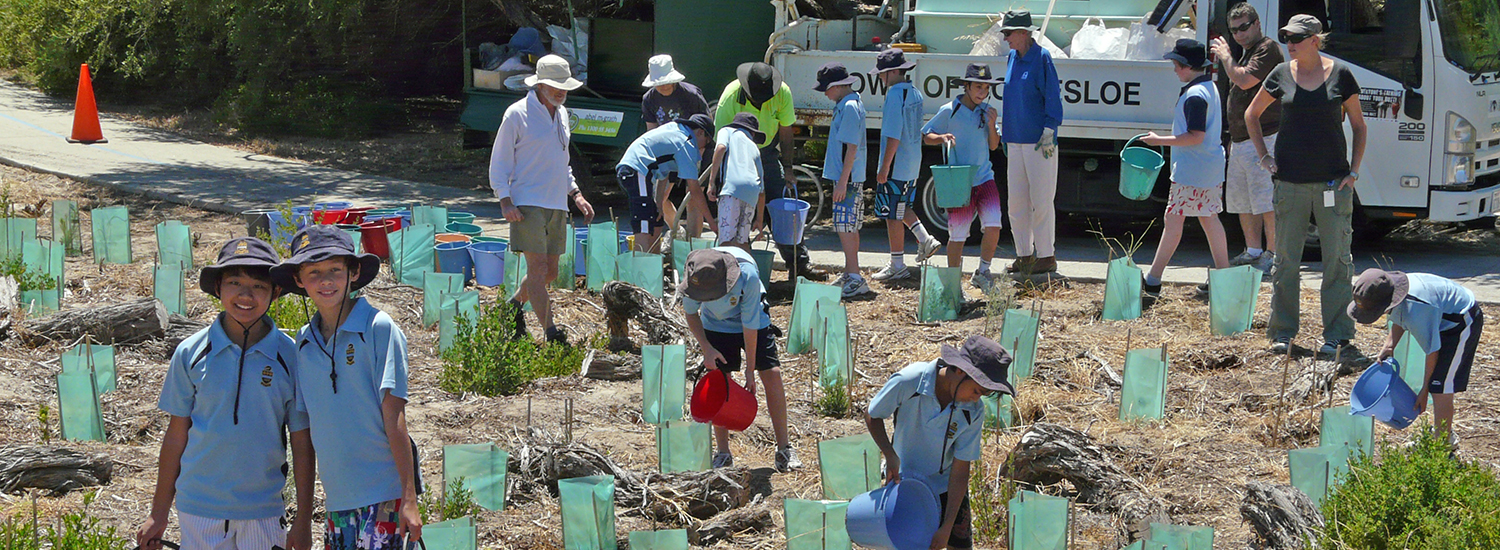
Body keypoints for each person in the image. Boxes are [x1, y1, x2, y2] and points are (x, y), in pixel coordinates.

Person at [136, 237, 314, 550]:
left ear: (275, 293)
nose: (246, 295)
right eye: (234, 282)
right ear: (218, 288)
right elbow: (176, 436)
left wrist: (303, 521)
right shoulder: (190, 353)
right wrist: (158, 513)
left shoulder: (291, 357)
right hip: (199, 510)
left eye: (259, 286)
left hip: (263, 512)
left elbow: (301, 442)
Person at [271, 226, 422, 550]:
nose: (326, 281)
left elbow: (395, 415)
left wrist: (408, 498)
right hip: (337, 503)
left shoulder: (378, 328)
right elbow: (305, 433)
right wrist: (303, 518)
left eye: (335, 270)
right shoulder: (304, 342)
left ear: (353, 272)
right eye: (314, 272)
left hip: (385, 496)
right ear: (298, 279)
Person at [1246, 14, 1367, 356]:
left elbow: (1359, 125)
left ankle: (1338, 335)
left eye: (1297, 38)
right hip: (1289, 184)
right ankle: (1283, 333)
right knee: (1285, 261)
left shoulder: (1341, 75)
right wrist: (1264, 157)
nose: (1291, 44)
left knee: (1337, 262)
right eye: (1287, 38)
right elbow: (1251, 115)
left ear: (1316, 39)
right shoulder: (1281, 74)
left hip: (1333, 184)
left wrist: (1353, 172)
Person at [866, 335, 1015, 550]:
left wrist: (947, 526)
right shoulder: (911, 381)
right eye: (976, 391)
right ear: (960, 371)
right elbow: (873, 415)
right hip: (904, 483)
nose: (977, 399)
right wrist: (890, 454)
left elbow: (961, 468)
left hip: (946, 488)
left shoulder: (973, 411)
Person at [489, 54, 598, 345]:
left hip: (557, 204)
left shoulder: (562, 114)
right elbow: (499, 160)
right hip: (527, 202)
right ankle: (552, 332)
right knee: (536, 270)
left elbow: (562, 162)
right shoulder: (517, 114)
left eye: (564, 86)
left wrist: (576, 194)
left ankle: (511, 307)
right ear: (539, 84)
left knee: (549, 272)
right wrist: (505, 200)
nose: (561, 91)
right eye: (554, 85)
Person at [681, 248, 801, 471]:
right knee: (719, 378)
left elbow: (750, 324)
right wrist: (707, 349)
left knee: (772, 374)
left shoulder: (747, 277)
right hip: (715, 325)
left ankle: (784, 448)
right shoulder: (694, 274)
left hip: (754, 322)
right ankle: (723, 452)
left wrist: (750, 369)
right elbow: (690, 314)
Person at [1349, 269, 1483, 449]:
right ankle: (1439, 436)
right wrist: (1389, 346)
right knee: (1436, 381)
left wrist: (1424, 389)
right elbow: (1399, 315)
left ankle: (1443, 447)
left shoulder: (1417, 308)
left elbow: (1432, 351)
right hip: (1440, 316)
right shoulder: (1393, 292)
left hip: (1462, 322)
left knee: (1440, 387)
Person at [1139, 39, 1231, 301]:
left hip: (1192, 170)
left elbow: (1194, 136)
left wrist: (1159, 140)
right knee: (1209, 218)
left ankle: (1154, 280)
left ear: (1187, 66)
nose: (1174, 70)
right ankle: (1222, 277)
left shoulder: (1194, 95)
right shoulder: (1208, 87)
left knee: (1174, 220)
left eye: (1176, 65)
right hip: (1209, 167)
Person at [715, 62, 825, 280]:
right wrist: (717, 178)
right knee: (739, 211)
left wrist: (788, 168)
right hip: (737, 156)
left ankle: (799, 265)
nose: (760, 102)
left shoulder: (782, 92)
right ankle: (735, 270)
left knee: (783, 209)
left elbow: (786, 133)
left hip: (766, 152)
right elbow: (721, 143)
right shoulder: (729, 98)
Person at [1211, 2, 1282, 273]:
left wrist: (1226, 56)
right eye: (1234, 30)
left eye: (1243, 27)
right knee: (1243, 201)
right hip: (1240, 140)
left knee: (1266, 200)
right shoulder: (1245, 53)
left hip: (1265, 137)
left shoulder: (1267, 48)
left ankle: (1272, 254)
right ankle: (1253, 251)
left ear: (1257, 24)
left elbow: (1244, 81)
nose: (1239, 34)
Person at [922, 63, 1004, 291]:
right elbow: (926, 134)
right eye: (978, 87)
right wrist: (942, 138)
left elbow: (994, 145)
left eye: (986, 88)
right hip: (959, 181)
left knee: (994, 225)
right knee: (958, 235)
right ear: (966, 86)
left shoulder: (986, 111)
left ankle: (983, 271)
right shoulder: (949, 110)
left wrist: (991, 123)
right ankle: (953, 284)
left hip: (984, 177)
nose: (983, 92)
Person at [999, 9, 1064, 276]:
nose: (1005, 39)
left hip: (1040, 142)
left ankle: (1046, 255)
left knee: (1041, 200)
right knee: (1016, 203)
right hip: (1015, 140)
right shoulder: (1013, 57)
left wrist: (1050, 129)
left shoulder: (1042, 58)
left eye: (1009, 33)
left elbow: (1052, 96)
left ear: (1024, 33)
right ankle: (1024, 254)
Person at [870, 48, 943, 282]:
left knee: (892, 214)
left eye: (882, 73)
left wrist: (884, 167)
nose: (880, 78)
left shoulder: (894, 95)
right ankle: (924, 239)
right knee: (901, 207)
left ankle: (898, 263)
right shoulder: (914, 92)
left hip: (897, 163)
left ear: (892, 72)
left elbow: (893, 135)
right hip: (913, 162)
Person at [813, 62, 872, 299]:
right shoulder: (849, 104)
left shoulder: (848, 107)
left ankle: (855, 276)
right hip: (849, 178)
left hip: (847, 179)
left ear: (838, 86)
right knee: (849, 225)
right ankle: (851, 272)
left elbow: (851, 147)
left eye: (826, 88)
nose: (825, 94)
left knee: (845, 226)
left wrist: (841, 181)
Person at [617, 113, 713, 254]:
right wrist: (711, 222)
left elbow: (664, 174)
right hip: (637, 169)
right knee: (644, 223)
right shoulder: (686, 142)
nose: (704, 148)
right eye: (707, 142)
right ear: (700, 132)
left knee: (656, 219)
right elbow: (695, 190)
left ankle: (655, 265)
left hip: (638, 170)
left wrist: (659, 203)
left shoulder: (675, 130)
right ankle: (641, 270)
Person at [705, 112, 765, 252]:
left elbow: (721, 148)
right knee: (742, 241)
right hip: (752, 193)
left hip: (731, 189)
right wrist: (760, 220)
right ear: (753, 133)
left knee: (726, 240)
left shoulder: (727, 131)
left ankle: (727, 272)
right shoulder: (754, 146)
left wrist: (711, 182)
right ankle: (747, 272)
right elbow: (762, 191)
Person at [641, 54, 710, 130]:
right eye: (659, 84)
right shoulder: (648, 99)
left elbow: (707, 122)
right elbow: (651, 129)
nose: (664, 86)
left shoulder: (692, 94)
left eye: (667, 82)